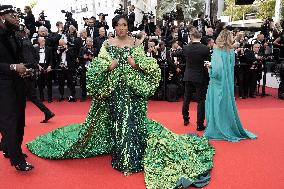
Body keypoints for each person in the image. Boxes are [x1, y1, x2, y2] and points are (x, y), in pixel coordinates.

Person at [27, 14, 214, 188]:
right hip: (115, 90)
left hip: (134, 91)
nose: (122, 28)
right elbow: (95, 68)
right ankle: (124, 156)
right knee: (120, 122)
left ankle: (130, 156)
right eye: (118, 25)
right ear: (114, 27)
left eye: (125, 25)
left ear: (128, 26)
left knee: (133, 121)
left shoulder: (135, 43)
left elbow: (151, 66)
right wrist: (109, 66)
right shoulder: (107, 44)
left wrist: (136, 64)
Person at [204, 29, 257, 142]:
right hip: (228, 82)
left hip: (217, 83)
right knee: (227, 105)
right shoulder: (231, 51)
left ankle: (217, 128)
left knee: (216, 104)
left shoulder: (217, 50)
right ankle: (228, 126)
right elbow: (231, 66)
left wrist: (209, 66)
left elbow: (217, 70)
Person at [0, 4, 34, 171]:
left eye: (16, 15)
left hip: (17, 83)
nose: (16, 18)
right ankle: (17, 159)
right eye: (12, 16)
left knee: (19, 118)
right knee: (10, 121)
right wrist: (13, 67)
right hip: (3, 86)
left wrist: (26, 69)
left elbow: (19, 58)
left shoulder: (14, 35)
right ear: (2, 17)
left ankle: (9, 148)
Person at [182, 29, 211, 130]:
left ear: (191, 36)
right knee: (201, 101)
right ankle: (199, 124)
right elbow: (207, 63)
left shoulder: (186, 48)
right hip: (200, 77)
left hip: (188, 76)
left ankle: (185, 119)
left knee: (186, 99)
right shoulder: (205, 49)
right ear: (200, 36)